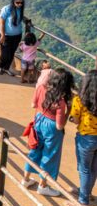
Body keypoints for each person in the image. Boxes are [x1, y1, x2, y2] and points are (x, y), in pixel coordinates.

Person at [22, 68, 74, 196]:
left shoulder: (40, 88)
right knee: (49, 156)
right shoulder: (60, 102)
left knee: (34, 150)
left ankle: (26, 179)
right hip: (52, 128)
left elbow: (33, 105)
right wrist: (69, 110)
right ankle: (43, 186)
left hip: (39, 120)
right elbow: (59, 126)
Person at [67, 70, 97, 206]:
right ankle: (86, 192)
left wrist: (75, 119)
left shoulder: (79, 100)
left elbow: (75, 119)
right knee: (93, 169)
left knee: (84, 169)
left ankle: (83, 201)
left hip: (86, 137)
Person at [0, 0, 26, 76]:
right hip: (6, 35)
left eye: (21, 3)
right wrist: (2, 35)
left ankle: (6, 68)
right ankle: (0, 67)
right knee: (5, 53)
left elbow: (20, 17)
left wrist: (26, 20)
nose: (19, 4)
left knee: (11, 53)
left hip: (17, 35)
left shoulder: (20, 9)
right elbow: (1, 22)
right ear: (13, 2)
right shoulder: (7, 9)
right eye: (17, 2)